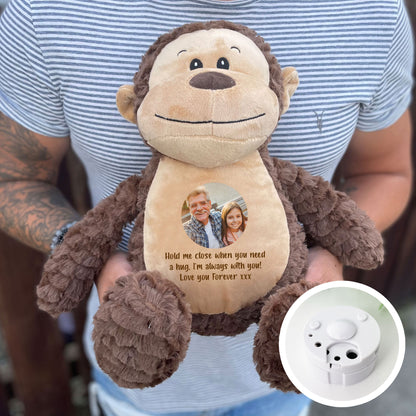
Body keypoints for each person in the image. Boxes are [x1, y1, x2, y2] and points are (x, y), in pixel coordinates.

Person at [0, 0, 413, 415]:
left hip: (294, 361)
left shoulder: (372, 14)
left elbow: (386, 171)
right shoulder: (45, 13)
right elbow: (13, 179)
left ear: (284, 90)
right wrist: (93, 260)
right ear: (130, 104)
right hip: (136, 361)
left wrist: (330, 252)